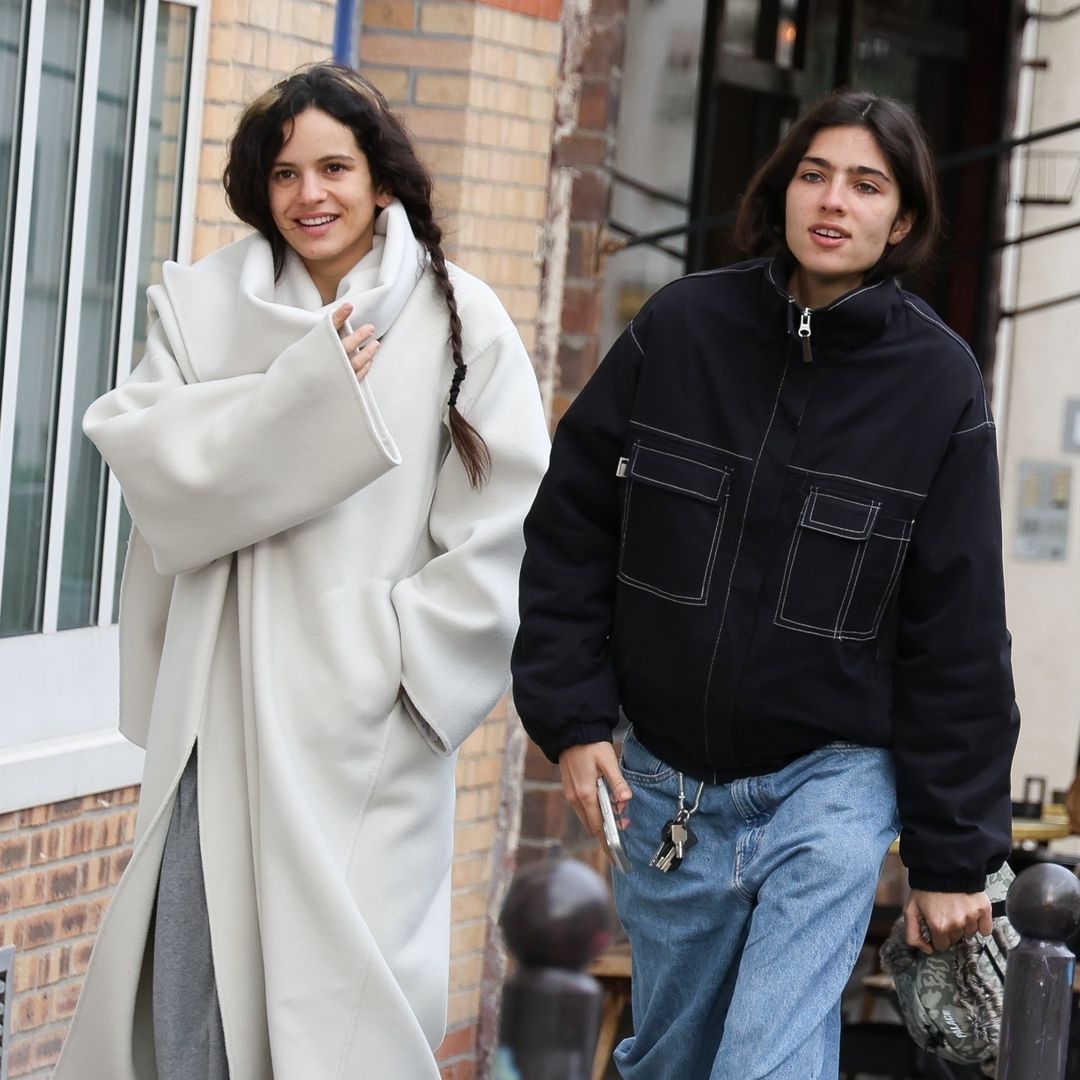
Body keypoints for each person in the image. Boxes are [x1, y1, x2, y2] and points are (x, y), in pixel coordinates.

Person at [53, 62, 550, 1080]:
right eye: (284, 172)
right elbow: (152, 469)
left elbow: (502, 530)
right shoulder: (200, 308)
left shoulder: (461, 319)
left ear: (382, 181)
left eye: (335, 166)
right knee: (193, 985)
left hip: (361, 728)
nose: (310, 195)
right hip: (215, 698)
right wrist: (304, 396)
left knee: (344, 1017)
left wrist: (401, 674)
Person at [512, 88, 1019, 1079]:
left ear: (901, 219)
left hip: (830, 782)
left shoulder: (940, 385)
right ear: (783, 190)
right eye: (815, 175)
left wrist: (953, 856)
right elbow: (571, 526)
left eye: (866, 185)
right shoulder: (680, 330)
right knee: (670, 1060)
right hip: (663, 785)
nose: (834, 202)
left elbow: (958, 630)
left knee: (763, 1064)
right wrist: (573, 720)